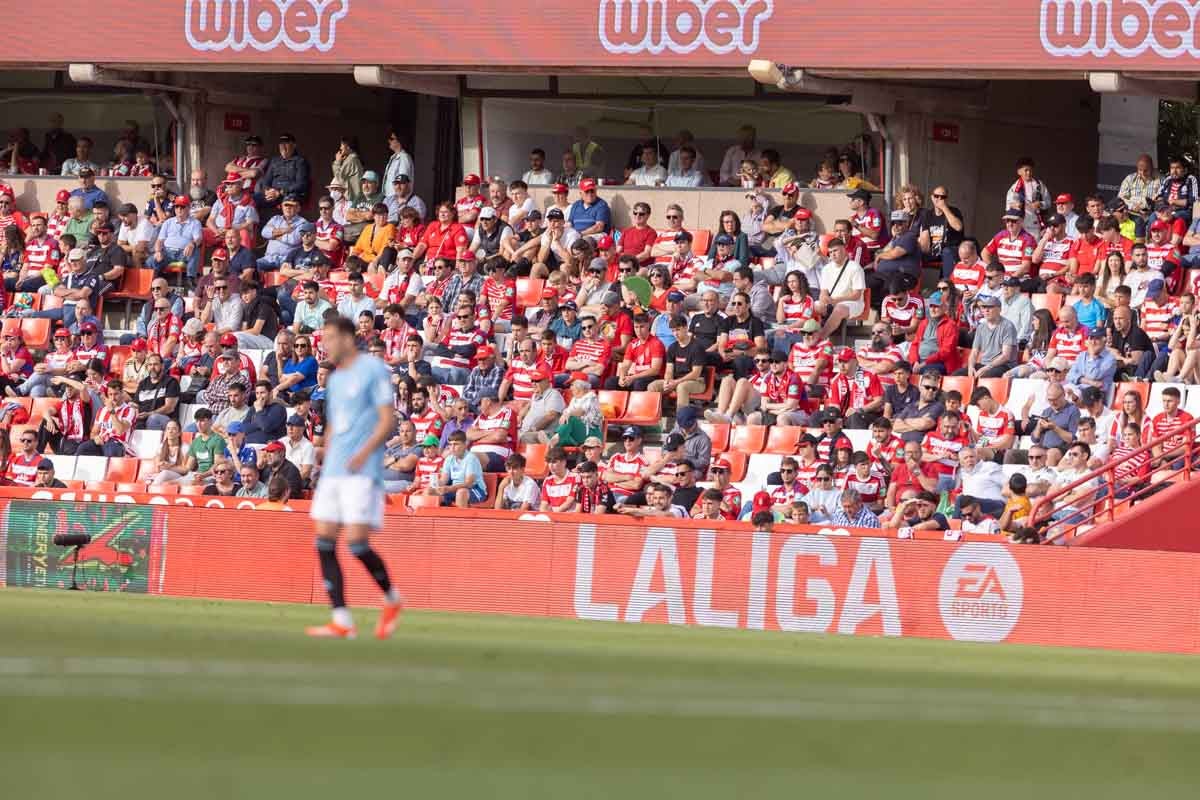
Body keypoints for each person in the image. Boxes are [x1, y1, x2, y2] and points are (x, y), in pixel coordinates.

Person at [303, 317, 401, 639]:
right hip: (334, 471)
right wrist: (327, 451)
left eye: (330, 337)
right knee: (324, 541)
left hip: (362, 471)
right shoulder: (335, 380)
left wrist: (364, 453)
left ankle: (391, 599)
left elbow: (387, 420)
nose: (325, 344)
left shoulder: (372, 369)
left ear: (347, 338)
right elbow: (335, 422)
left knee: (357, 544)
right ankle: (342, 619)